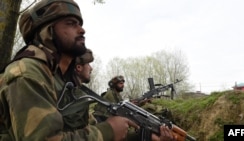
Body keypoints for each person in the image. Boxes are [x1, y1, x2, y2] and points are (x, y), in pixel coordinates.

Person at [0, 0, 176, 140]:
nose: (82, 30)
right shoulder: (27, 73)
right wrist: (108, 131)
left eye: (80, 23)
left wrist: (142, 137)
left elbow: (85, 129)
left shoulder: (61, 81)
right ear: (48, 32)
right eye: (71, 23)